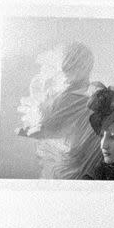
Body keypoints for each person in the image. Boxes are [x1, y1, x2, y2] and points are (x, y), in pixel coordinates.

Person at [15, 41, 101, 179]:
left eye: (73, 65)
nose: (63, 70)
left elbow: (46, 126)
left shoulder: (79, 96)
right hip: (69, 163)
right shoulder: (76, 95)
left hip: (73, 164)